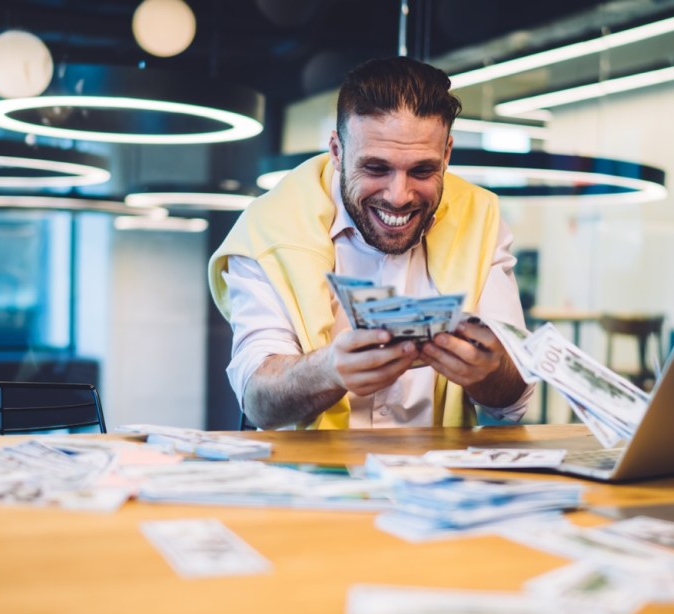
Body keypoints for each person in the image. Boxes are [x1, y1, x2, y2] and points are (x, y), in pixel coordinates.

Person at [208, 56, 533, 430]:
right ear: (336, 151)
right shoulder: (268, 226)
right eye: (376, 168)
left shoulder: (481, 216)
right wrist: (328, 369)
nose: (399, 196)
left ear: (446, 155)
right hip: (309, 481)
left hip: (436, 479)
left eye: (422, 170)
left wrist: (489, 371)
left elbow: (515, 400)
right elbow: (258, 401)